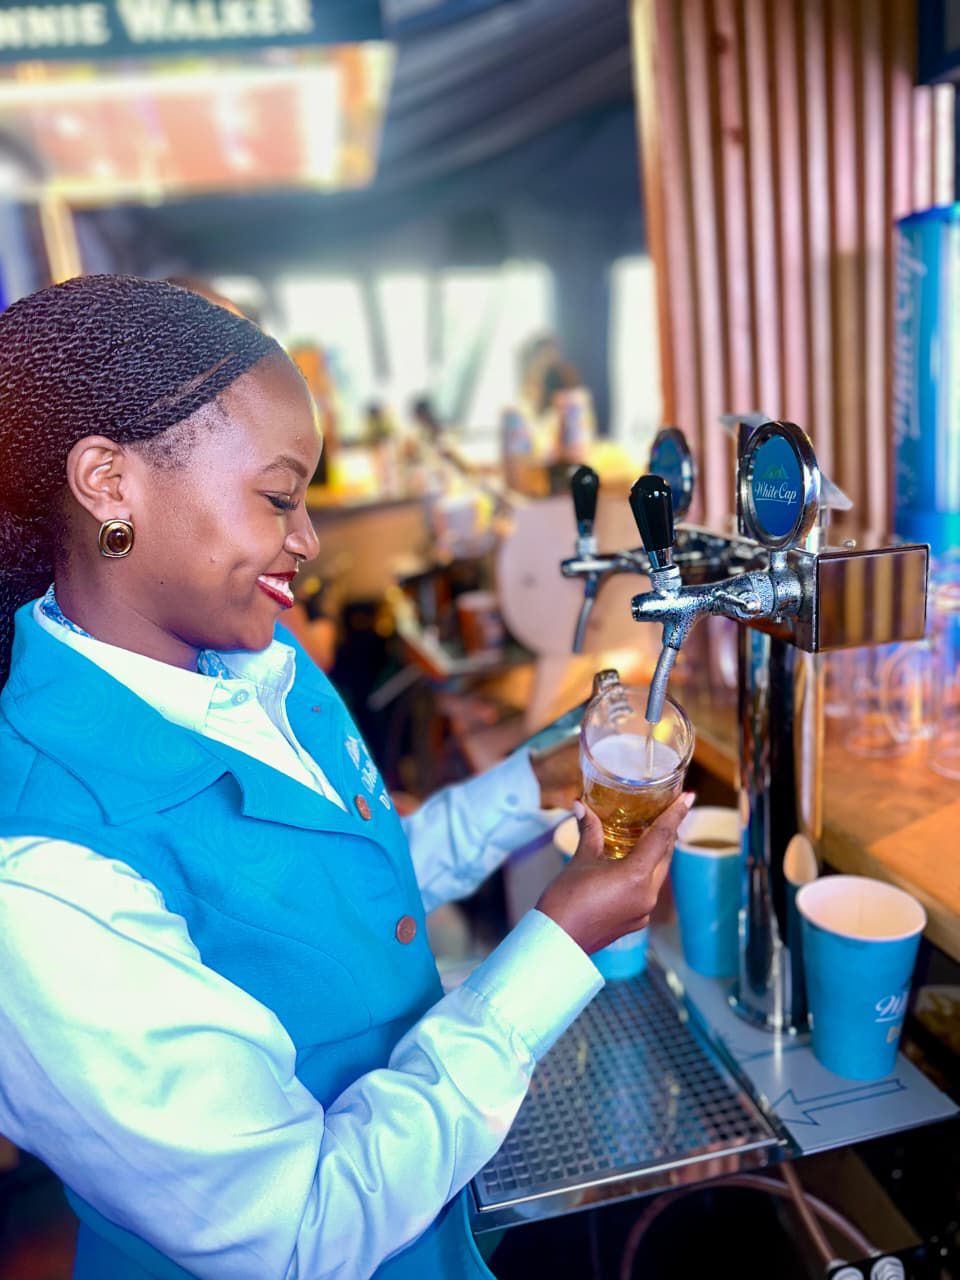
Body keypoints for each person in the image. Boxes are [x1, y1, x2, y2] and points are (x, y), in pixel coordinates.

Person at [0, 275, 691, 1280]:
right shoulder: (41, 879)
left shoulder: (250, 659)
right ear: (110, 484)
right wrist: (559, 942)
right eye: (279, 497)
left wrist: (527, 786)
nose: (308, 540)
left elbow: (339, 892)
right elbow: (298, 1229)